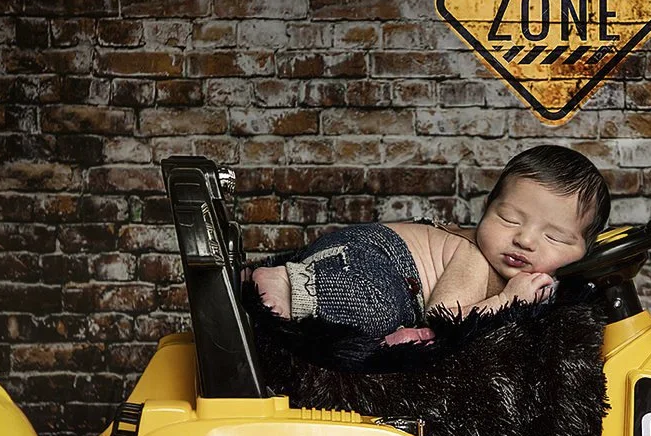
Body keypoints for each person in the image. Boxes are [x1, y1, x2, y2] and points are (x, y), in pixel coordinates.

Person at [247, 145, 610, 346]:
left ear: (583, 251)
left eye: (554, 237)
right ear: (486, 209)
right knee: (376, 304)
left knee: (379, 320)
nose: (524, 239)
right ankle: (287, 284)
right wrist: (505, 299)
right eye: (510, 219)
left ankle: (387, 340)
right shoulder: (474, 257)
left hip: (378, 266)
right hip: (378, 258)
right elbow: (445, 316)